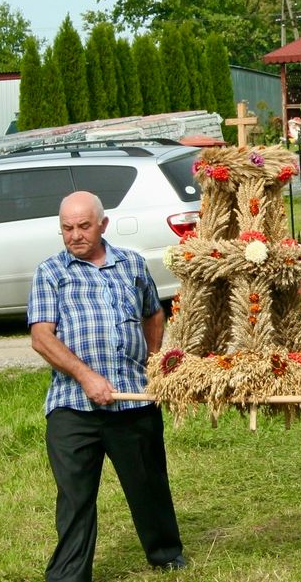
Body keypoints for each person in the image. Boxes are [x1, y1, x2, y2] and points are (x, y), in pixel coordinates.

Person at [28, 191, 186, 581]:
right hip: (72, 407)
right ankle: (68, 574)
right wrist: (85, 376)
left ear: (102, 225)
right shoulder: (51, 272)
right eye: (67, 228)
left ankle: (165, 553)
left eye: (84, 226)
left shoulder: (131, 264)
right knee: (75, 497)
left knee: (148, 484)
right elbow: (41, 337)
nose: (75, 235)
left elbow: (153, 311)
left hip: (133, 399)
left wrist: (153, 358)